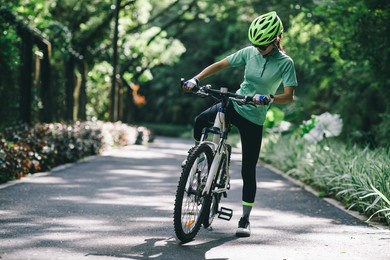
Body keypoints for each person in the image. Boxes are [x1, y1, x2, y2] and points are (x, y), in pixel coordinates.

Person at [183, 11, 298, 237]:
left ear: (276, 39)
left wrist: (270, 98)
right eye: (256, 45)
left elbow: (289, 96)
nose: (258, 49)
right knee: (199, 121)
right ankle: (197, 161)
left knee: (248, 169)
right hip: (235, 104)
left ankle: (244, 219)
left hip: (254, 116)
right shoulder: (249, 53)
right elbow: (220, 64)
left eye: (262, 46)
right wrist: (195, 79)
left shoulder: (286, 63)